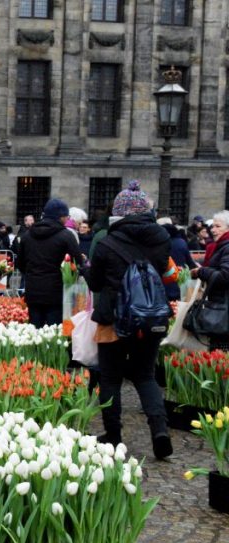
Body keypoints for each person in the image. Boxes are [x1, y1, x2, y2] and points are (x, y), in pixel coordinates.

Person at [85, 181, 172, 458]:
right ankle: (160, 431)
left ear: (118, 214)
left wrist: (87, 272)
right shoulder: (161, 238)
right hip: (149, 317)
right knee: (145, 376)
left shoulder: (107, 242)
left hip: (114, 319)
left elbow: (96, 283)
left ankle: (113, 435)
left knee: (110, 378)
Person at [16, 198, 83, 328]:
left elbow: (20, 263)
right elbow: (77, 263)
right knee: (55, 334)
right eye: (66, 216)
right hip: (56, 293)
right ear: (61, 217)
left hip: (33, 291)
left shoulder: (27, 235)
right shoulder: (66, 236)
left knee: (35, 332)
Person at [191, 210, 229, 350]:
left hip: (224, 309)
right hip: (222, 306)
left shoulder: (227, 246)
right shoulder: (222, 245)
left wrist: (201, 271)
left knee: (221, 353)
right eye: (213, 226)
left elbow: (225, 276)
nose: (213, 230)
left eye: (218, 226)